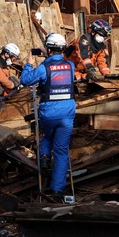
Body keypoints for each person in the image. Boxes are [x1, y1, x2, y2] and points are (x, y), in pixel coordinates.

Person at [20, 33, 76, 200]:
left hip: (49, 113)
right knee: (61, 150)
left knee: (46, 136)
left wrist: (29, 64)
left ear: (49, 48)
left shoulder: (44, 67)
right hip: (67, 112)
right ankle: (58, 189)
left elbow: (25, 80)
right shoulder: (71, 66)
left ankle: (44, 157)